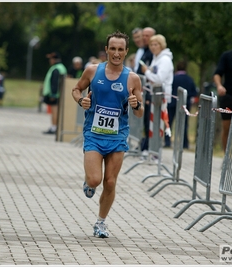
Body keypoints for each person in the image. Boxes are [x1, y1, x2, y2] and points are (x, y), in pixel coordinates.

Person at [71, 30, 143, 238]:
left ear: (126, 51)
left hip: (118, 136)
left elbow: (140, 113)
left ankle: (101, 222)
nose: (116, 53)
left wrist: (136, 104)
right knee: (95, 180)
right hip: (94, 133)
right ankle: (88, 182)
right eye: (113, 48)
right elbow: (76, 89)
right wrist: (81, 100)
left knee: (110, 182)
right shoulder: (92, 71)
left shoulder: (133, 79)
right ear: (106, 50)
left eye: (121, 49)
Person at [164, 61, 197, 149]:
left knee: (169, 122)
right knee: (184, 124)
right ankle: (185, 143)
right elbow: (194, 92)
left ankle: (167, 141)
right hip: (185, 104)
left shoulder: (173, 78)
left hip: (172, 103)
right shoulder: (189, 79)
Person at [136, 27, 156, 154]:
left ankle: (150, 147)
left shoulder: (153, 53)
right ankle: (144, 144)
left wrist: (147, 71)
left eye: (147, 36)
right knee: (145, 120)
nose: (144, 38)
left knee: (150, 121)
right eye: (143, 35)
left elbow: (153, 73)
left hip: (152, 92)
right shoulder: (142, 51)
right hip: (144, 90)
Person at [42, 52, 67, 134]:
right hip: (59, 94)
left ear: (54, 59)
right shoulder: (61, 67)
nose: (50, 61)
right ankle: (55, 126)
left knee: (54, 111)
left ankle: (54, 127)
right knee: (55, 111)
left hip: (55, 95)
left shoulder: (56, 69)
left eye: (51, 59)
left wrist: (53, 94)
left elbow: (54, 82)